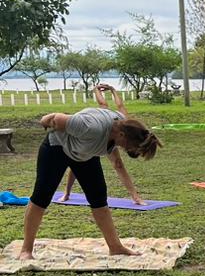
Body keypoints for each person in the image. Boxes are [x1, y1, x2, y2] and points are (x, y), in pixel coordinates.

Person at [20, 86, 161, 260]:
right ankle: (26, 250)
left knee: (98, 198)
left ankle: (115, 247)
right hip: (57, 148)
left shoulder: (123, 124)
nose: (130, 151)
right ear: (122, 135)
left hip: (85, 153)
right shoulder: (90, 127)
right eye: (132, 148)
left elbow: (118, 163)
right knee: (41, 196)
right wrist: (44, 121)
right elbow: (55, 118)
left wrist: (134, 193)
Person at [57, 84, 145, 205]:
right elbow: (108, 105)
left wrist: (113, 90)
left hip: (112, 139)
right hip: (100, 135)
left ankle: (135, 196)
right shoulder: (114, 119)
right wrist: (99, 90)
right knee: (78, 160)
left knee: (118, 164)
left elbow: (118, 105)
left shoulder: (125, 124)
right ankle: (67, 193)